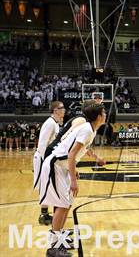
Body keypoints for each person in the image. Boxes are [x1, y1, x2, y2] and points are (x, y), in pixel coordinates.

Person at [39, 103, 106, 257]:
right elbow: (71, 155)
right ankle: (53, 247)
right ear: (98, 117)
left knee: (67, 203)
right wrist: (73, 178)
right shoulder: (87, 129)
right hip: (55, 165)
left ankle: (60, 238)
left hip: (62, 166)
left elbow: (81, 150)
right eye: (103, 112)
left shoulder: (91, 129)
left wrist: (95, 158)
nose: (106, 115)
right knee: (62, 204)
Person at [34, 101, 66, 225]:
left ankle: (45, 213)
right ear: (55, 110)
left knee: (47, 185)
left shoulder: (56, 123)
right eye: (61, 108)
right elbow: (42, 145)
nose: (64, 110)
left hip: (47, 158)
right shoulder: (49, 124)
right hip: (43, 157)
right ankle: (44, 214)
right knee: (44, 185)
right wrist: (47, 161)